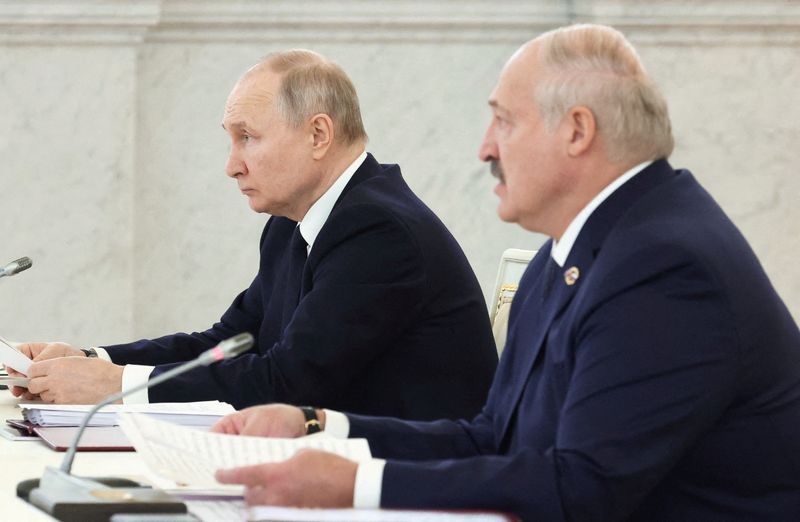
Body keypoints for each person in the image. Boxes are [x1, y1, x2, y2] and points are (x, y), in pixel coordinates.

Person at [207, 25, 800, 521]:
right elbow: (492, 436)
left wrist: (358, 485)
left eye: (504, 122)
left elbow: (583, 489)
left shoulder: (665, 264)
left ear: (577, 131)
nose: (485, 149)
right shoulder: (566, 252)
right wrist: (316, 426)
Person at [9, 50, 498, 420]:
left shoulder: (379, 230)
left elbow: (288, 382)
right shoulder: (292, 224)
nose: (231, 166)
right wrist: (91, 360)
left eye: (247, 137)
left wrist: (115, 385)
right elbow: (231, 342)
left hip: (409, 485)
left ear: (318, 135)